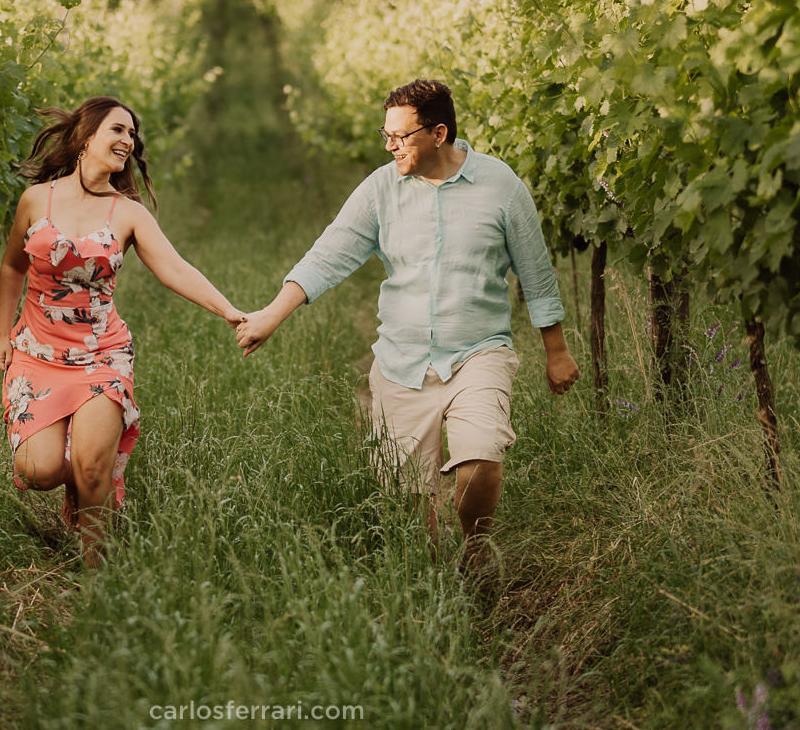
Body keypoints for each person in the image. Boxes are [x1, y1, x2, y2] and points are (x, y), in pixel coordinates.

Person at [235, 78, 579, 572]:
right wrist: (273, 313)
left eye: (401, 136)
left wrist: (557, 349)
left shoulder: (501, 186)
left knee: (480, 458)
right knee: (412, 512)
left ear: (439, 134)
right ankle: (438, 581)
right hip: (402, 358)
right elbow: (329, 255)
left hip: (478, 351)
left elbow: (536, 270)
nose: (391, 146)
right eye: (386, 135)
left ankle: (476, 549)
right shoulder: (381, 188)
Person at [0, 96, 245, 566]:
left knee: (92, 467)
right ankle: (78, 483)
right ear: (86, 137)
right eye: (118, 130)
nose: (128, 141)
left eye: (132, 134)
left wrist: (228, 310)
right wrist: (3, 335)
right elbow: (12, 268)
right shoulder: (36, 201)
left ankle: (97, 574)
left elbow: (173, 267)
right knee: (39, 469)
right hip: (37, 354)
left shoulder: (127, 213)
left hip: (101, 355)